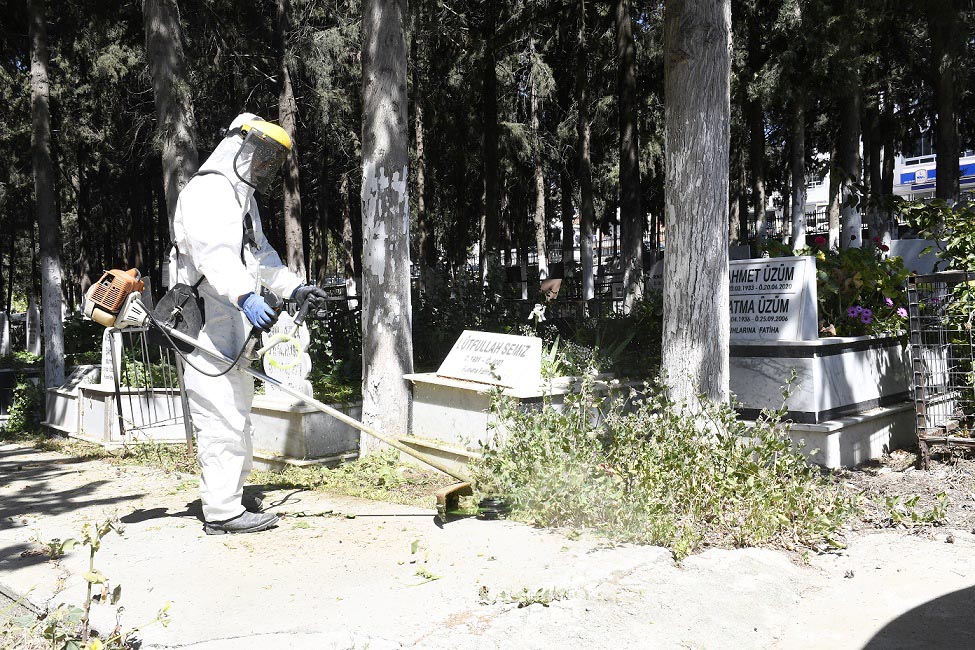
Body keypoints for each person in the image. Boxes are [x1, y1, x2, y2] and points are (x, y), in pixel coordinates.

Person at [169, 112, 328, 535]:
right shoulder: (206, 191)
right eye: (260, 154)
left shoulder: (244, 199)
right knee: (218, 417)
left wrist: (293, 288)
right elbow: (215, 256)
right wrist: (245, 295)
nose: (263, 166)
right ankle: (221, 514)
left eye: (271, 160)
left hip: (233, 329)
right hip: (204, 328)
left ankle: (230, 498)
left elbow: (260, 255)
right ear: (237, 145)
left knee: (236, 415)